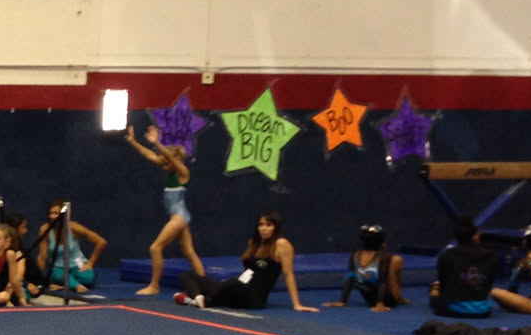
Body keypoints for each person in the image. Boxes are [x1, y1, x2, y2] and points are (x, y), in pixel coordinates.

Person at [174, 211, 317, 313]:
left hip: (255, 298)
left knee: (232, 283)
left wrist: (297, 304)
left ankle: (201, 299)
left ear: (276, 227)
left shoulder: (281, 244)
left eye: (268, 225)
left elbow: (288, 274)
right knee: (187, 275)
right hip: (238, 290)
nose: (263, 229)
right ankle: (198, 298)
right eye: (261, 225)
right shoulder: (253, 243)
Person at [124, 123, 203, 295]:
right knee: (189, 252)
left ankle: (154, 286)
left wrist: (157, 143)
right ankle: (204, 284)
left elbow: (170, 159)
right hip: (179, 216)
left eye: (167, 162)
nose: (164, 165)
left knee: (155, 248)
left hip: (179, 216)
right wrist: (133, 141)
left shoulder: (183, 172)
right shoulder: (171, 172)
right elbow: (151, 156)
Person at [25, 200, 105, 297]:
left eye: (56, 213)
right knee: (58, 275)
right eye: (50, 213)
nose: (52, 216)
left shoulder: (74, 227)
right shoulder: (45, 229)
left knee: (88, 278)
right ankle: (76, 285)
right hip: (57, 268)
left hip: (76, 265)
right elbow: (42, 256)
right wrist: (38, 280)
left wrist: (90, 264)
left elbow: (101, 242)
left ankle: (66, 284)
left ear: (64, 215)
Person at [429, 217, 499, 317]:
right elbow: (489, 284)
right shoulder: (491, 255)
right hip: (483, 310)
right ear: (475, 236)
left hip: (454, 309)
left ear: (456, 236)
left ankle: (434, 291)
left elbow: (443, 284)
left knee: (435, 292)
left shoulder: (446, 255)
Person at [327, 224, 407, 311]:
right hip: (388, 300)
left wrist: (343, 301)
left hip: (369, 299)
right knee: (397, 260)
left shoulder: (355, 256)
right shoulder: (384, 257)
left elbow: (350, 278)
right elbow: (382, 281)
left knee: (355, 275)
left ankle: (398, 298)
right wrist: (380, 303)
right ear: (382, 244)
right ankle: (399, 298)